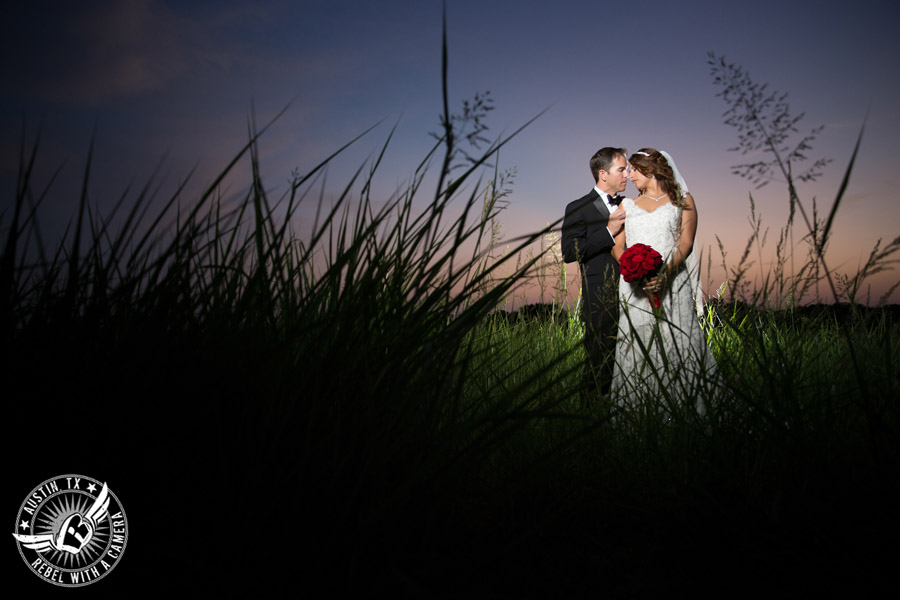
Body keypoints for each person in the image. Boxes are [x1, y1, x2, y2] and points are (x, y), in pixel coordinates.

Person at [611, 148, 715, 413]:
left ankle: (685, 408)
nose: (629, 176)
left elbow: (686, 243)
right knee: (638, 342)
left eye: (633, 169)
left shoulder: (684, 200)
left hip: (672, 282)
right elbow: (617, 245)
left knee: (676, 337)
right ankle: (637, 410)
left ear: (650, 169)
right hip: (635, 289)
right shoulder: (627, 206)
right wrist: (633, 269)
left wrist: (664, 273)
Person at [562, 147, 628, 397]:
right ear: (603, 174)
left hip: (634, 293)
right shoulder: (578, 207)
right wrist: (608, 232)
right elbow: (570, 251)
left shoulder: (631, 205)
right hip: (600, 296)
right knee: (600, 363)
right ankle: (591, 419)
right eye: (621, 169)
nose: (627, 175)